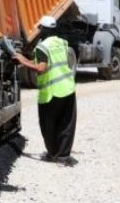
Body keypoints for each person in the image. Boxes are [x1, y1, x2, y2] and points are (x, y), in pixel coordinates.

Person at [13, 15, 77, 163]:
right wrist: (26, 62)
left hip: (51, 93)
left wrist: (23, 60)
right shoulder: (62, 43)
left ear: (43, 30)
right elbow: (48, 61)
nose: (39, 31)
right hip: (67, 88)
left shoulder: (42, 46)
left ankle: (53, 153)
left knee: (48, 125)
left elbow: (41, 68)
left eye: (40, 28)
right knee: (66, 124)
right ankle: (63, 156)